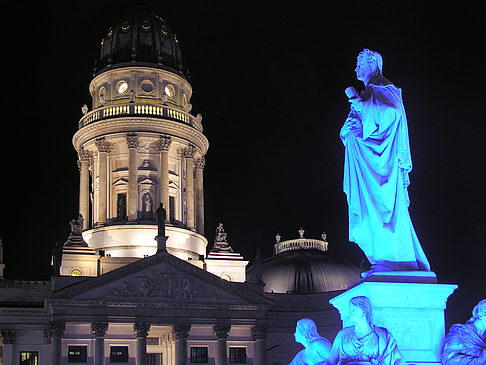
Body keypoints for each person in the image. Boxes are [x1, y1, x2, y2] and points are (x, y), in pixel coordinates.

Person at [341, 49, 430, 275]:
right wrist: (351, 127)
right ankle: (383, 258)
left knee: (384, 211)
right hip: (367, 163)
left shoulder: (384, 88)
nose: (356, 68)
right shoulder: (370, 92)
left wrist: (360, 106)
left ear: (373, 64)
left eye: (359, 64)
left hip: (382, 165)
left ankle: (395, 258)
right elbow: (350, 128)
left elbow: (392, 113)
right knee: (372, 214)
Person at [326, 296, 404, 364]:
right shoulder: (343, 334)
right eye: (350, 310)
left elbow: (397, 360)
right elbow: (330, 361)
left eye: (353, 309)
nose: (350, 313)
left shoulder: (382, 335)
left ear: (363, 311)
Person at [441, 299, 486, 364]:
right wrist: (480, 360)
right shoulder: (460, 333)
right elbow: (447, 360)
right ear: (480, 314)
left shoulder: (484, 338)